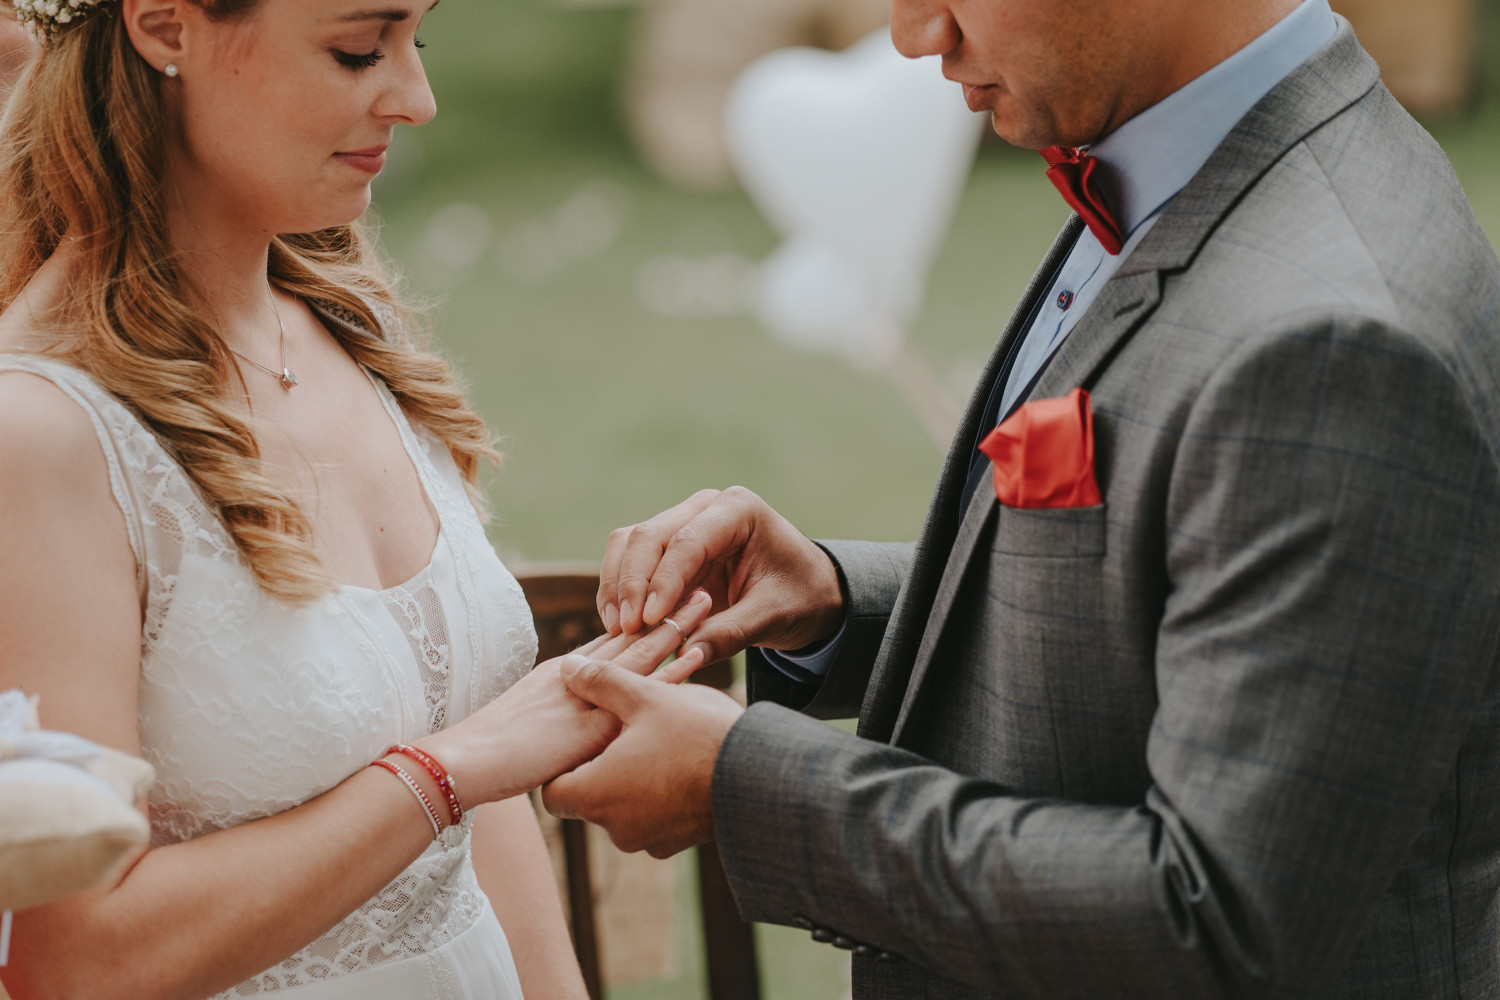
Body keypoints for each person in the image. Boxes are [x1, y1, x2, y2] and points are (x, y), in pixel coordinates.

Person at [543, 0, 1500, 996]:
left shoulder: (1337, 341)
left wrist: (746, 787)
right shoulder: (1193, 155)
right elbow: (1176, 596)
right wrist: (835, 602)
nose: (914, 34)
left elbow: (1209, 921)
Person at [0, 1, 712, 997]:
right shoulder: (40, 433)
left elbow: (488, 788)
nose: (417, 98)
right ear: (165, 27)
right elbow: (78, 959)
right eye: (357, 50)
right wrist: (440, 774)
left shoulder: (348, 320)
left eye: (417, 39)